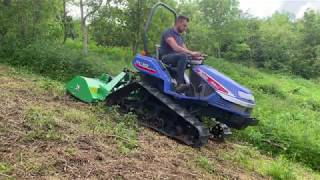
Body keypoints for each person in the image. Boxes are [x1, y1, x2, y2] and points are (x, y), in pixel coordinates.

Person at [159, 15, 202, 92]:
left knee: (194, 60)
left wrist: (195, 55)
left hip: (176, 58)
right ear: (178, 22)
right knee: (183, 56)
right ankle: (179, 84)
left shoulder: (179, 37)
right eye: (184, 25)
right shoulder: (168, 32)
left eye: (186, 26)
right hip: (165, 58)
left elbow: (185, 49)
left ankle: (194, 87)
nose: (185, 28)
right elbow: (175, 47)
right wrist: (191, 53)